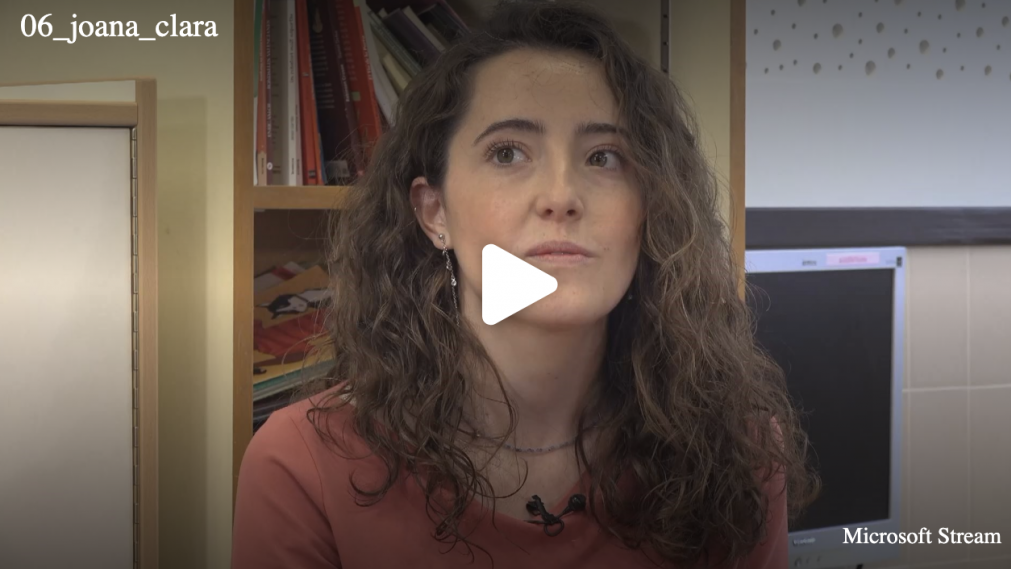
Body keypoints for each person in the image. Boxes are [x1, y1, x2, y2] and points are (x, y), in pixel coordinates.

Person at [231, 1, 818, 567]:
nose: (561, 197)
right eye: (508, 153)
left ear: (651, 211)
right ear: (435, 212)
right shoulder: (301, 466)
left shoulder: (739, 454)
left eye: (604, 157)